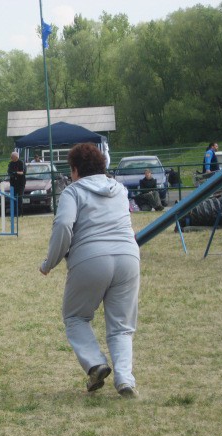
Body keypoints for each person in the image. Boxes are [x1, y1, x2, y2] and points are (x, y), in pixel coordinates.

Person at [39, 143, 140, 398]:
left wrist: (49, 263)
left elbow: (63, 226)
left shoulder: (72, 192)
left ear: (75, 170)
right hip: (128, 256)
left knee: (75, 317)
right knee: (121, 326)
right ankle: (125, 379)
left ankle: (95, 363)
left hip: (90, 259)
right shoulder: (119, 190)